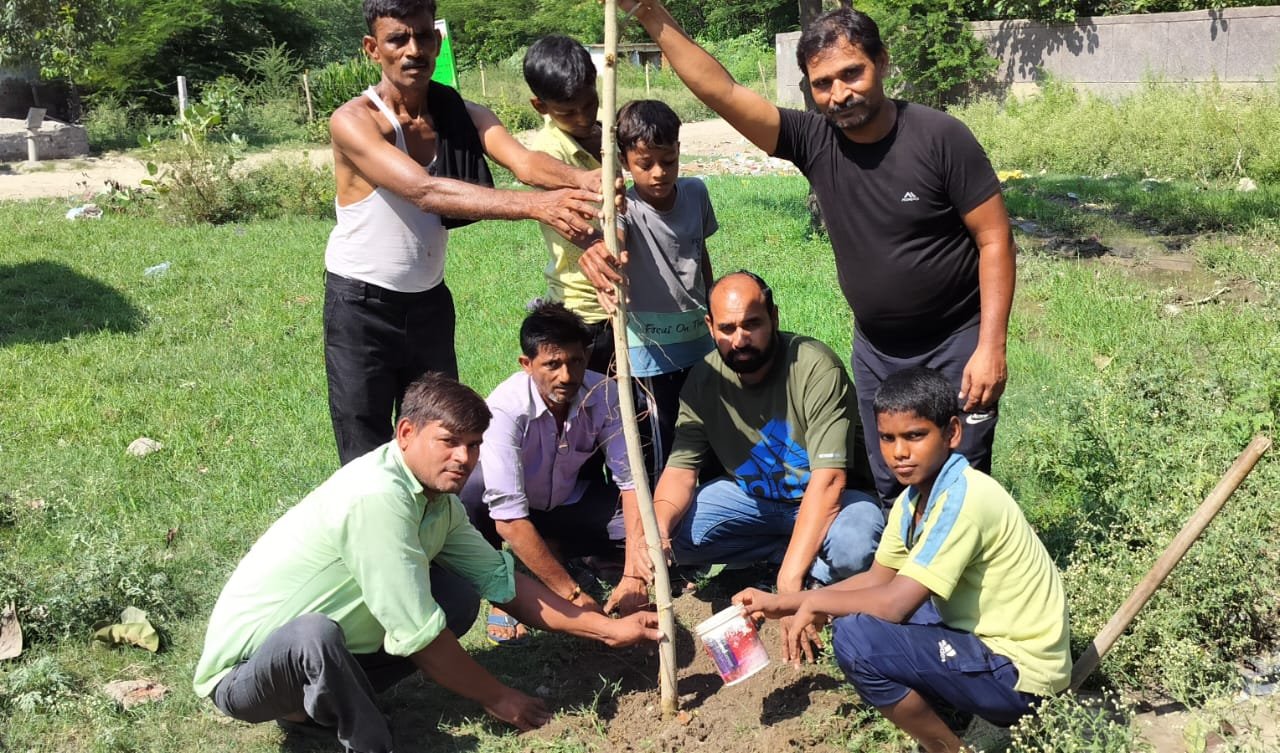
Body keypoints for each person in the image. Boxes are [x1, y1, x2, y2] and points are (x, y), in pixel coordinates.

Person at [595, 1, 1017, 503]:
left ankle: (969, 578)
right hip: (878, 351)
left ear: (881, 62)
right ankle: (907, 576)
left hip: (956, 343)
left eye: (851, 73)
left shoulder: (940, 137)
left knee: (960, 479)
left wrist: (990, 346)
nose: (839, 94)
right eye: (822, 84)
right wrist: (647, 11)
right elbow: (722, 92)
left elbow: (995, 239)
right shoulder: (815, 141)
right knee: (893, 482)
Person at [193, 374, 661, 753]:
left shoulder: (437, 501)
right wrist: (500, 698)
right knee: (313, 635)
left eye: (474, 444)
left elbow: (502, 583)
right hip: (248, 675)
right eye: (449, 441)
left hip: (327, 656)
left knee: (456, 597)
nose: (464, 458)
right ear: (406, 433)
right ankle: (367, 740)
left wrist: (606, 629)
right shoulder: (377, 499)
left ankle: (315, 707)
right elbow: (418, 632)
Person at [325, 0, 614, 465]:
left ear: (437, 41)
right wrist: (539, 206)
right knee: (366, 448)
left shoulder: (458, 111)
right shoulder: (355, 121)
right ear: (371, 49)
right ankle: (376, 535)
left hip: (429, 302)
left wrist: (587, 179)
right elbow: (424, 190)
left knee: (441, 432)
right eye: (397, 39)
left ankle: (436, 533)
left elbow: (522, 161)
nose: (413, 49)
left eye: (422, 35)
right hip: (361, 306)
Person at [734, 367, 1070, 753]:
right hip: (983, 642)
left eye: (915, 435)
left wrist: (815, 602)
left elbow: (893, 605)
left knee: (856, 637)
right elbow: (878, 580)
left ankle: (947, 748)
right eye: (888, 438)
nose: (899, 452)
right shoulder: (913, 499)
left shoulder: (964, 499)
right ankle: (954, 707)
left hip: (1022, 676)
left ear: (953, 433)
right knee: (873, 612)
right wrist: (782, 602)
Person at [611, 271, 883, 639]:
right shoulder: (704, 379)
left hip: (825, 502)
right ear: (710, 327)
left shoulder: (815, 366)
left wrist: (789, 587)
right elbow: (681, 470)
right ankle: (788, 555)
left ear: (774, 317)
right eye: (727, 328)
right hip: (754, 501)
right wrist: (655, 531)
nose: (739, 339)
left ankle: (803, 576)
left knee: (858, 542)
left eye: (752, 324)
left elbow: (830, 481)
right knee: (678, 538)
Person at [460, 301, 646, 640]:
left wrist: (636, 574)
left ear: (587, 356)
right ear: (527, 365)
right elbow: (511, 521)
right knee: (471, 493)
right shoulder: (505, 409)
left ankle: (560, 552)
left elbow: (632, 484)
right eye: (553, 364)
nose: (567, 375)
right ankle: (507, 587)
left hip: (566, 502)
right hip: (510, 516)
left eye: (575, 361)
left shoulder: (604, 393)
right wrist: (574, 597)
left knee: (649, 524)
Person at [610, 99, 717, 479]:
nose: (658, 173)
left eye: (668, 161)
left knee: (707, 431)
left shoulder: (696, 193)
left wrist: (713, 303)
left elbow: (700, 254)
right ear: (624, 161)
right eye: (644, 164)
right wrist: (614, 235)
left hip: (699, 338)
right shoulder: (623, 206)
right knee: (663, 441)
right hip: (649, 351)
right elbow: (615, 243)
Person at [522, 34, 616, 375]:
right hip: (586, 306)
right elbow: (581, 227)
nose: (581, 117)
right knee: (599, 399)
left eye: (589, 104)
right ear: (540, 106)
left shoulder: (605, 134)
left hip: (626, 298)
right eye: (568, 112)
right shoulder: (549, 153)